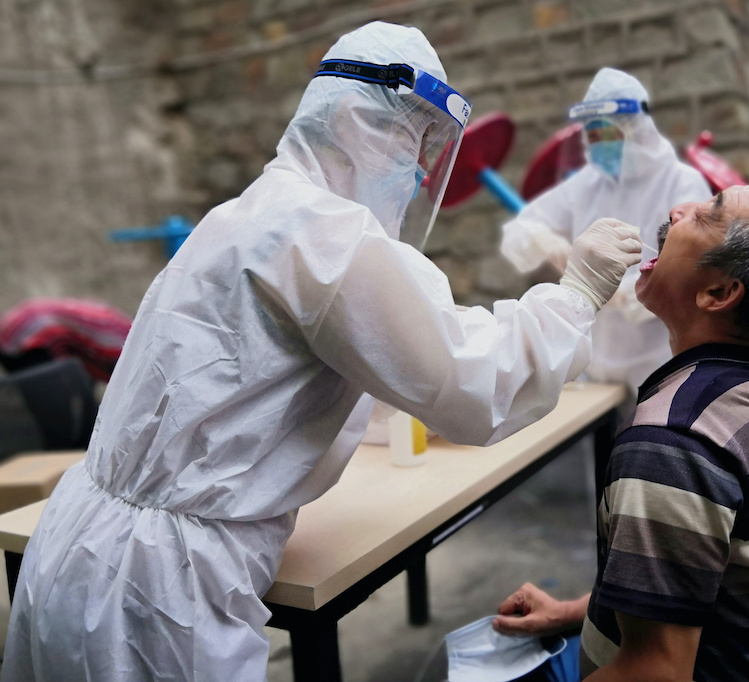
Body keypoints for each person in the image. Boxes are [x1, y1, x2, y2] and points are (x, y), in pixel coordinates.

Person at [2, 22, 643, 682]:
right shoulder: (325, 231)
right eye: (414, 140)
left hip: (78, 547)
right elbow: (474, 384)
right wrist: (576, 296)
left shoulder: (246, 213)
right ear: (354, 121)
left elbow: (258, 377)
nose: (420, 171)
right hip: (164, 592)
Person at [495, 180, 749, 681]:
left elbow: (656, 672)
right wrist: (578, 613)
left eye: (706, 215)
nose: (679, 209)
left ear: (718, 293)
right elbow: (706, 572)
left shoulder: (673, 444)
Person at [500, 68, 712, 397]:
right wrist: (543, 242)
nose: (599, 145)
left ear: (635, 128)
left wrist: (626, 294)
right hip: (596, 369)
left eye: (607, 133)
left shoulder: (682, 182)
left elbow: (690, 271)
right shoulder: (589, 183)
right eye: (593, 135)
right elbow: (520, 229)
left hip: (663, 364)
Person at [0, 298, 132, 382]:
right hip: (29, 333)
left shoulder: (123, 332)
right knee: (47, 394)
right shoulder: (124, 352)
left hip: (21, 323)